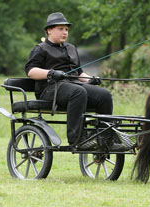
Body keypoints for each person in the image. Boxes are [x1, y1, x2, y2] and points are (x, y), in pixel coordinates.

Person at [25, 12, 115, 149]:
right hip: (50, 89)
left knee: (104, 95)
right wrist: (51, 73)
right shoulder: (41, 49)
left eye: (66, 29)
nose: (65, 32)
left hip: (72, 86)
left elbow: (79, 73)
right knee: (78, 92)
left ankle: (105, 138)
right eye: (60, 29)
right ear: (49, 30)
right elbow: (31, 71)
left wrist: (91, 79)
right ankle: (76, 139)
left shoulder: (71, 48)